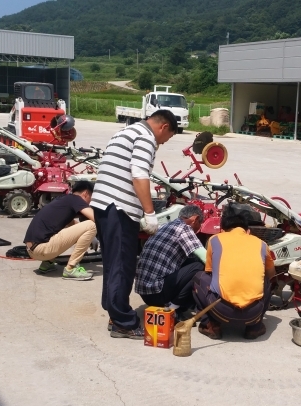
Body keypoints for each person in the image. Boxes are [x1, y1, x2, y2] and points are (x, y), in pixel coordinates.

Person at [91, 110, 179, 339]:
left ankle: (114, 313)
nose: (163, 142)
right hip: (119, 207)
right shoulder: (145, 137)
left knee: (112, 264)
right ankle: (124, 323)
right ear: (164, 127)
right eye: (167, 137)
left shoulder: (124, 132)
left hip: (103, 205)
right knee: (122, 266)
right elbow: (139, 174)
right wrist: (150, 213)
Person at [193, 203, 275, 340]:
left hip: (221, 311)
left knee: (199, 277)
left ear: (223, 229)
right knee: (267, 281)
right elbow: (271, 275)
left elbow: (209, 271)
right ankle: (254, 328)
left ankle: (211, 325)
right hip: (253, 313)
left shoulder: (215, 240)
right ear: (247, 230)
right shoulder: (261, 244)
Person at [135, 205, 206, 317]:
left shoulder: (164, 226)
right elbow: (205, 258)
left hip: (145, 292)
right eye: (200, 223)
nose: (199, 228)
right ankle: (172, 310)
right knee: (198, 266)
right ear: (195, 219)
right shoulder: (184, 228)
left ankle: (173, 305)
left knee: (191, 261)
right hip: (157, 293)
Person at [23, 181, 98, 281]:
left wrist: (89, 237)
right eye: (91, 198)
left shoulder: (64, 199)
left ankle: (47, 264)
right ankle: (71, 268)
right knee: (92, 225)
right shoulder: (76, 199)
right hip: (42, 249)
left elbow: (71, 224)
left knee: (62, 229)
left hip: (32, 249)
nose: (90, 202)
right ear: (86, 193)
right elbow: (95, 219)